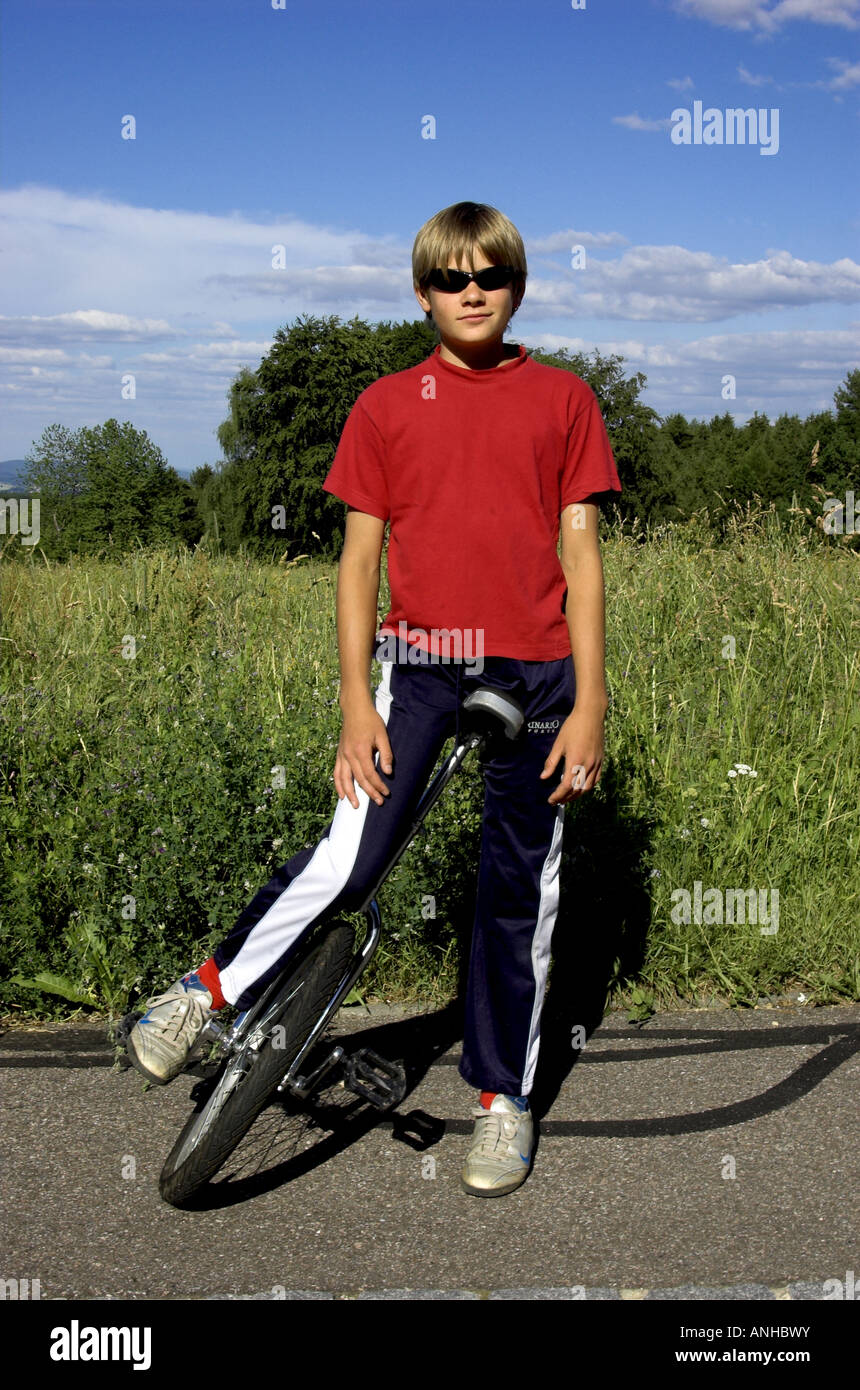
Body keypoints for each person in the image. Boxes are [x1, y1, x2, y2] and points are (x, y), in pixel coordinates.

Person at [127, 200, 621, 1197]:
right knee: (349, 851)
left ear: (515, 286)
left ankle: (500, 1102)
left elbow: (580, 550)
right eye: (450, 277)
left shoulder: (564, 399)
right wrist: (356, 700)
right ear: (421, 292)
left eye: (489, 275)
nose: (470, 291)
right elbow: (357, 564)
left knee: (515, 894)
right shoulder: (386, 405)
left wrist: (590, 702)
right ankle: (203, 992)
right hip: (423, 660)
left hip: (535, 670)